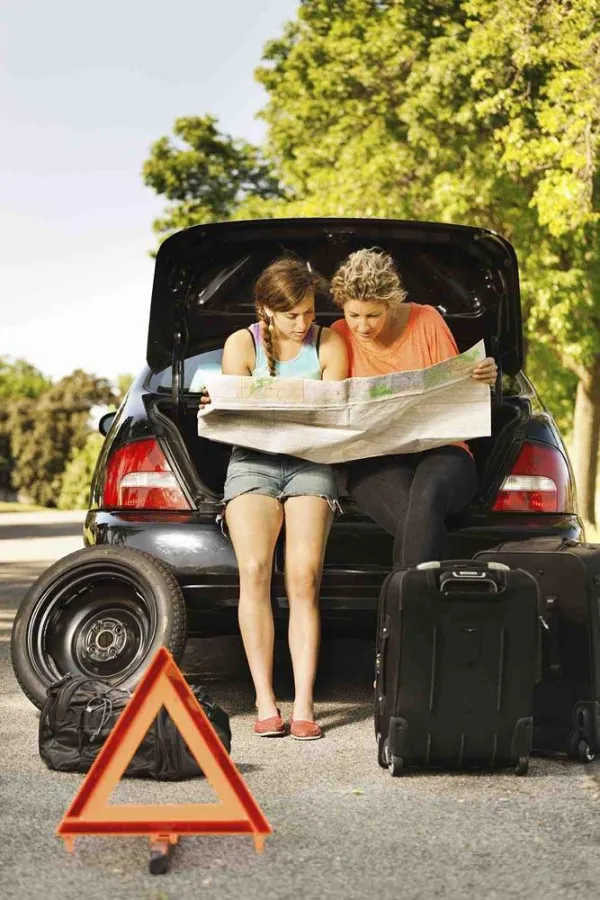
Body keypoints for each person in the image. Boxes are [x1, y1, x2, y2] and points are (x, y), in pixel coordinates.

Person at [220, 257, 348, 740]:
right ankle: (265, 700)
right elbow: (235, 418)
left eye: (309, 311)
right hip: (252, 462)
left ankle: (305, 705)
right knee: (255, 570)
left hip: (311, 462)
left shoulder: (329, 342)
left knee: (304, 577)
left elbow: (336, 415)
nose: (303, 323)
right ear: (265, 310)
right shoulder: (242, 344)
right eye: (291, 315)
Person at [329, 248, 498, 568]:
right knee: (418, 519)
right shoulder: (338, 335)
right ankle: (421, 594)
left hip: (443, 451)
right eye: (353, 315)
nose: (362, 327)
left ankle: (402, 599)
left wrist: (482, 375)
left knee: (427, 495)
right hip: (374, 460)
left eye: (372, 315)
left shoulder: (427, 321)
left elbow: (457, 388)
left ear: (390, 303)